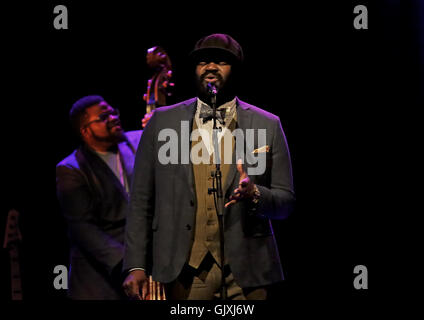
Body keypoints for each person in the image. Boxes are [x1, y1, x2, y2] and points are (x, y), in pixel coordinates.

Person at [122, 33, 295, 300]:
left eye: (221, 62)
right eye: (203, 61)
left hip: (248, 271)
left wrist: (255, 195)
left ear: (236, 70)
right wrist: (136, 265)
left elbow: (285, 202)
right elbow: (141, 200)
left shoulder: (267, 124)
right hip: (186, 269)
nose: (211, 67)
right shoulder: (162, 121)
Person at [56, 95, 142, 299]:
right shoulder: (70, 169)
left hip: (139, 268)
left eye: (113, 112)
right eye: (104, 117)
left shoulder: (136, 142)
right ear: (85, 131)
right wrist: (130, 264)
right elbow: (84, 229)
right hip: (99, 281)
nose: (113, 117)